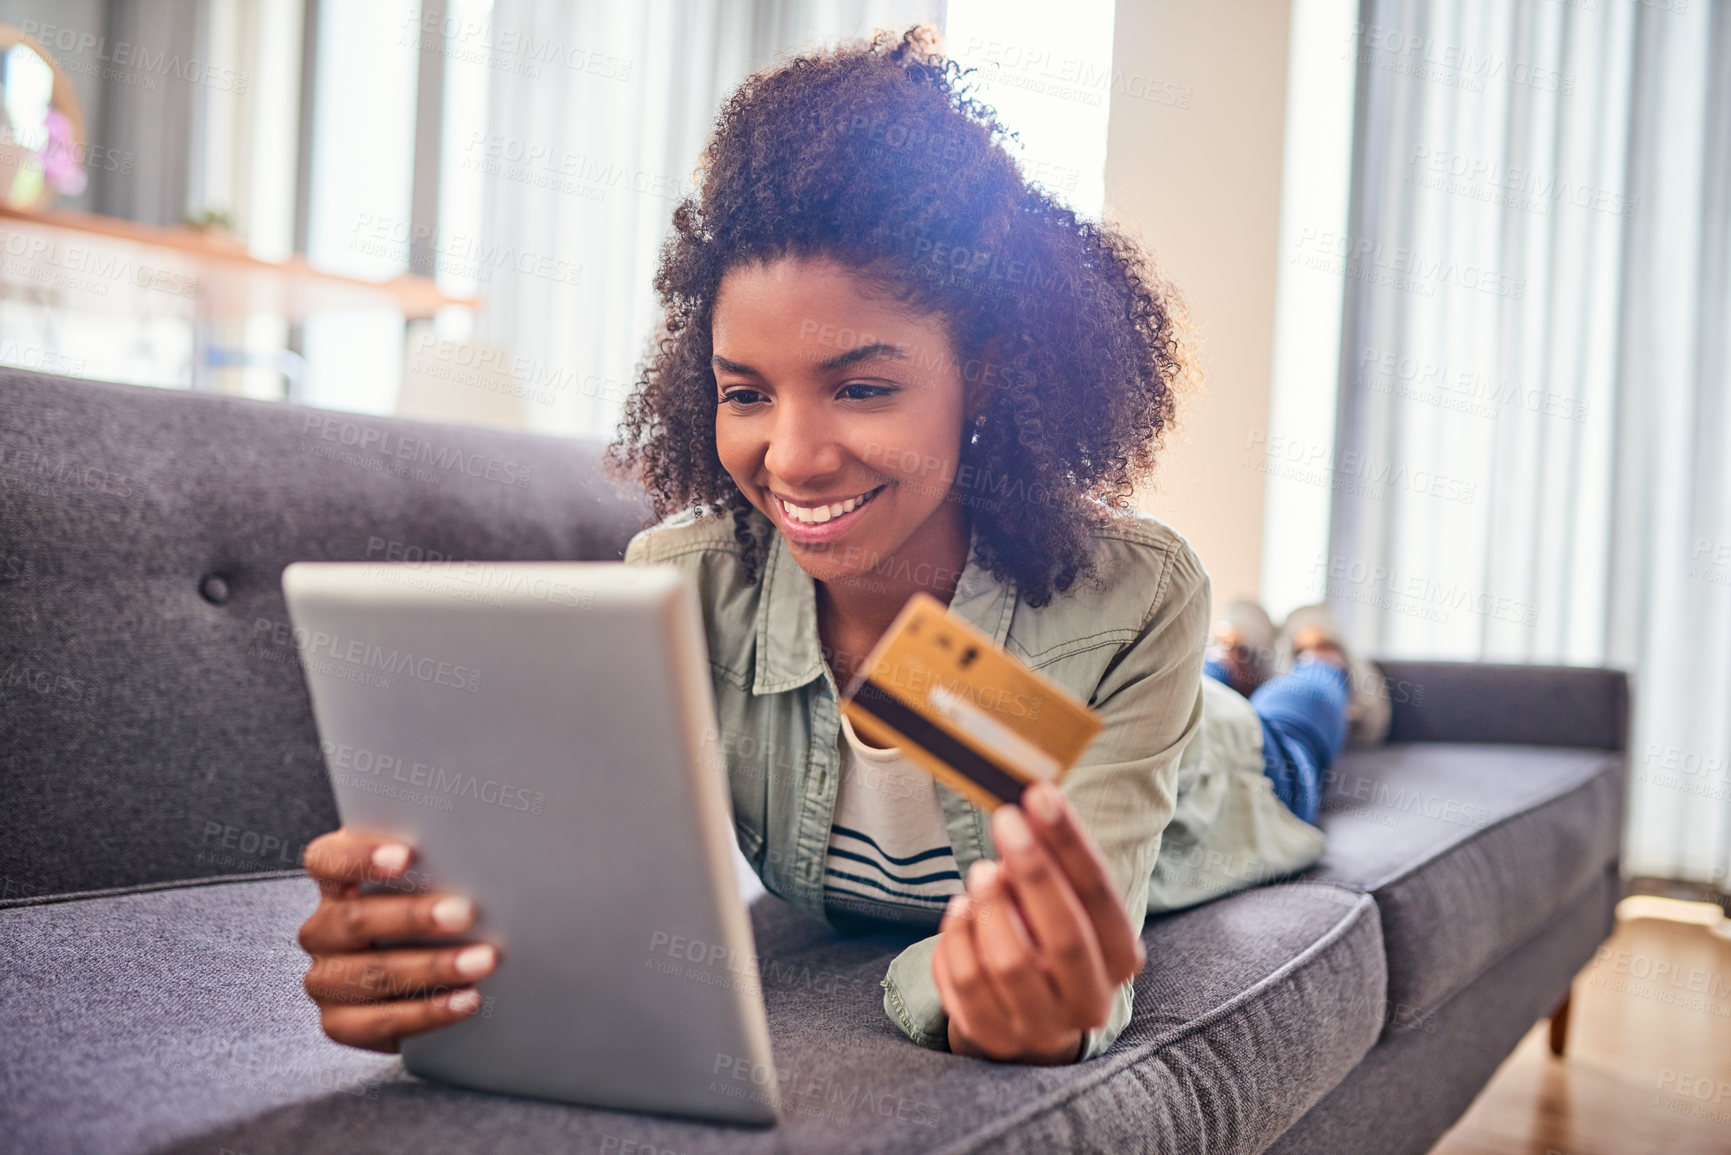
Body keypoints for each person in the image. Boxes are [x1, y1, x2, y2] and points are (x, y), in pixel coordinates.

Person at [293, 24, 1388, 1067]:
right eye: (745, 393)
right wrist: (436, 946)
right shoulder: (680, 595)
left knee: (1287, 731)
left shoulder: (1134, 595)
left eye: (863, 387)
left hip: (1217, 779)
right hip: (1125, 706)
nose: (795, 458)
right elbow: (582, 880)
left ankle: (1315, 660)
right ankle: (1243, 653)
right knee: (1218, 676)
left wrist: (980, 999)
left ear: (987, 376)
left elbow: (1085, 973)